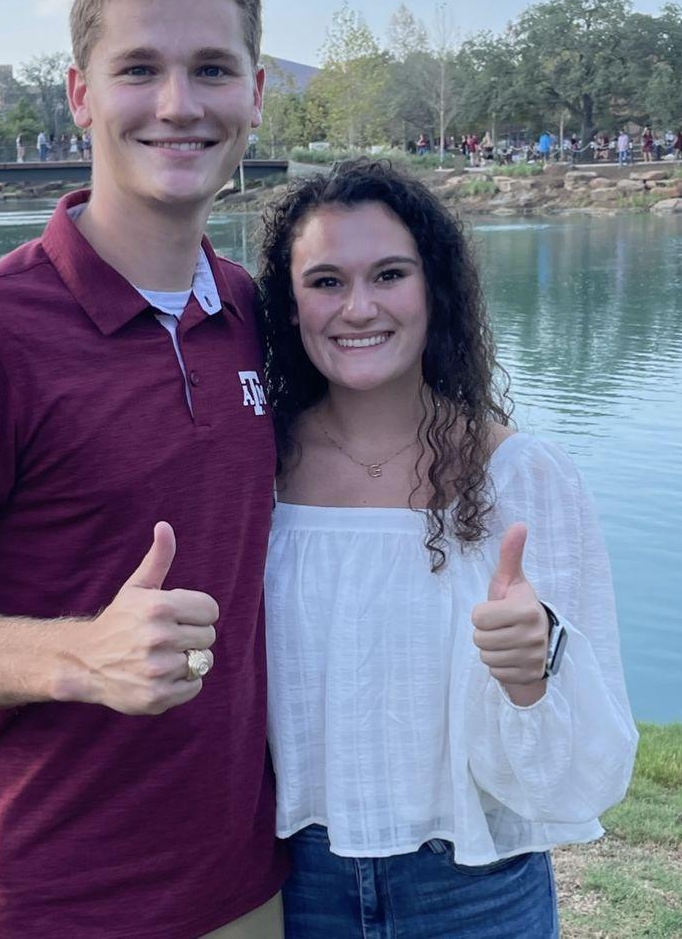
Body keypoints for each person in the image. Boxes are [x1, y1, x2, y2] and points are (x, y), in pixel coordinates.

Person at [0, 0, 286, 937]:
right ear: (81, 93)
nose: (179, 104)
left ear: (254, 95)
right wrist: (81, 655)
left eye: (211, 69)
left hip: (245, 893)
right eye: (140, 68)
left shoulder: (258, 314)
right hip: (46, 899)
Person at [256, 160, 637, 938]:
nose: (358, 308)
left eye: (390, 274)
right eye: (326, 281)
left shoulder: (520, 476)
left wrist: (532, 671)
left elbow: (579, 766)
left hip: (474, 888)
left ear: (436, 290)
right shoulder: (250, 471)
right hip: (285, 882)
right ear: (288, 306)